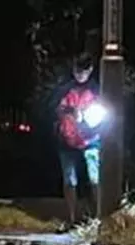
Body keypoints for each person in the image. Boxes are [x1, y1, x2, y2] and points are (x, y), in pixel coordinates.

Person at [53, 53, 102, 225]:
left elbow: (103, 116)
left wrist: (87, 120)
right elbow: (55, 109)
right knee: (69, 179)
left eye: (83, 70)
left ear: (90, 70)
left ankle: (98, 217)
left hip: (91, 140)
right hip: (67, 139)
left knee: (94, 177)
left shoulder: (97, 91)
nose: (79, 73)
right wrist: (67, 112)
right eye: (76, 69)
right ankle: (71, 218)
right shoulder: (65, 89)